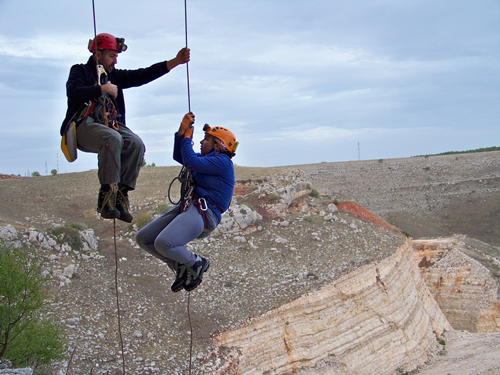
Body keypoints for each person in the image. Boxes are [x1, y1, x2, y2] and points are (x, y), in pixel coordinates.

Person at [61, 33, 190, 223]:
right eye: (111, 56)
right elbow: (73, 92)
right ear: (98, 54)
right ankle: (106, 197)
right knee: (112, 138)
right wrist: (102, 89)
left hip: (110, 125)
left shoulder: (114, 76)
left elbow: (141, 75)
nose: (115, 60)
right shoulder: (80, 71)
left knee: (136, 144)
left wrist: (175, 62)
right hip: (84, 125)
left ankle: (121, 195)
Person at [136, 112, 238, 292]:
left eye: (206, 139)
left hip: (204, 213)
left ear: (218, 145)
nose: (200, 142)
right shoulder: (207, 160)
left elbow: (189, 160)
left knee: (163, 243)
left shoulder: (223, 162)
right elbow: (181, 156)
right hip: (192, 208)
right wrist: (181, 132)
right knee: (144, 238)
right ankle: (181, 266)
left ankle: (197, 263)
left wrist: (187, 138)